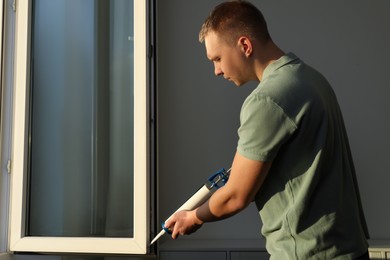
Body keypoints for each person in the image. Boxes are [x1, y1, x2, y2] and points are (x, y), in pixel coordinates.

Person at [164, 1, 370, 259]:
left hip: (307, 254)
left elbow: (236, 196)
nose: (216, 71)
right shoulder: (313, 79)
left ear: (245, 45)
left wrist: (194, 216)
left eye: (217, 58)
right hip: (350, 249)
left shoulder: (267, 100)